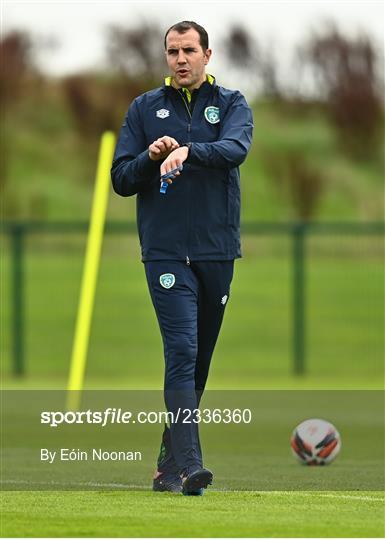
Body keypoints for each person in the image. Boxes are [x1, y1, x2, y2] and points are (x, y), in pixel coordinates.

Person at [111, 20, 253, 495]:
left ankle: (167, 465)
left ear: (207, 55)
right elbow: (122, 179)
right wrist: (152, 157)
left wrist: (188, 152)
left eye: (189, 50)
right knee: (182, 351)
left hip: (216, 251)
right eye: (172, 52)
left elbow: (236, 149)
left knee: (201, 363)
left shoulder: (231, 104)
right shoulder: (144, 108)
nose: (180, 59)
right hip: (166, 253)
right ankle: (191, 466)